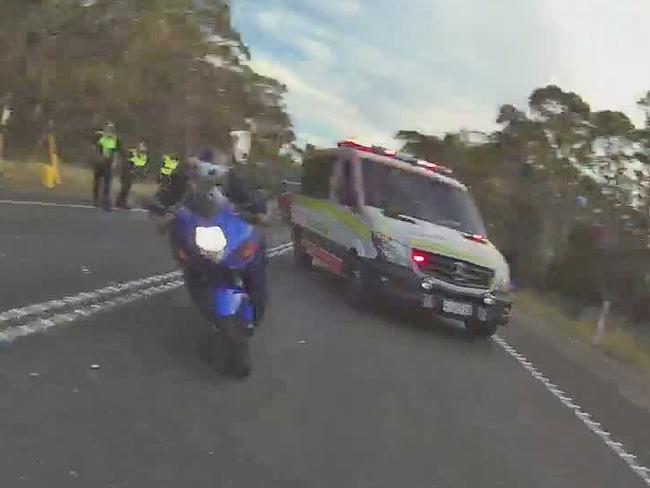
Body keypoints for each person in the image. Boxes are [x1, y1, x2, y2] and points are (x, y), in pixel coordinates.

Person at [93, 122, 120, 210]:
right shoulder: (101, 138)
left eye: (111, 130)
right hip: (99, 162)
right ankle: (96, 199)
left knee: (107, 183)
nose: (109, 132)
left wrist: (114, 162)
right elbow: (96, 148)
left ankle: (105, 200)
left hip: (108, 162)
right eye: (108, 130)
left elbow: (116, 152)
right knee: (97, 181)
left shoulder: (114, 140)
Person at [116, 141, 148, 209]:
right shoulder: (130, 152)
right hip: (126, 171)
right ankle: (120, 202)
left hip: (129, 171)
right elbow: (128, 161)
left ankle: (120, 202)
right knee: (125, 187)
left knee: (127, 187)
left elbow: (139, 162)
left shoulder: (136, 154)